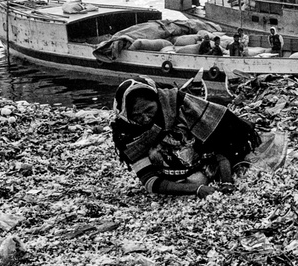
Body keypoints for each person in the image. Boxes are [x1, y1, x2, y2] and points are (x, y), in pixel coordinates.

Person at [111, 76, 261, 198]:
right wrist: (196, 189)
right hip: (169, 179)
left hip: (204, 165)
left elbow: (218, 143)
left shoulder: (181, 106)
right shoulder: (127, 133)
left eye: (149, 109)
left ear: (158, 100)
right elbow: (149, 181)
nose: (145, 118)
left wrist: (227, 181)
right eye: (136, 115)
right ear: (126, 115)